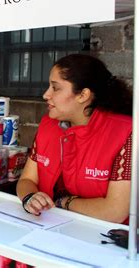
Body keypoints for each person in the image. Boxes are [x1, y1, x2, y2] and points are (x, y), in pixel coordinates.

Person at [17, 54, 132, 224]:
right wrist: (30, 197)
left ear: (83, 95)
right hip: (46, 229)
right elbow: (27, 180)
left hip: (102, 239)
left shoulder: (125, 132)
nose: (45, 95)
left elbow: (115, 211)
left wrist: (65, 202)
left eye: (55, 88)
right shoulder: (48, 125)